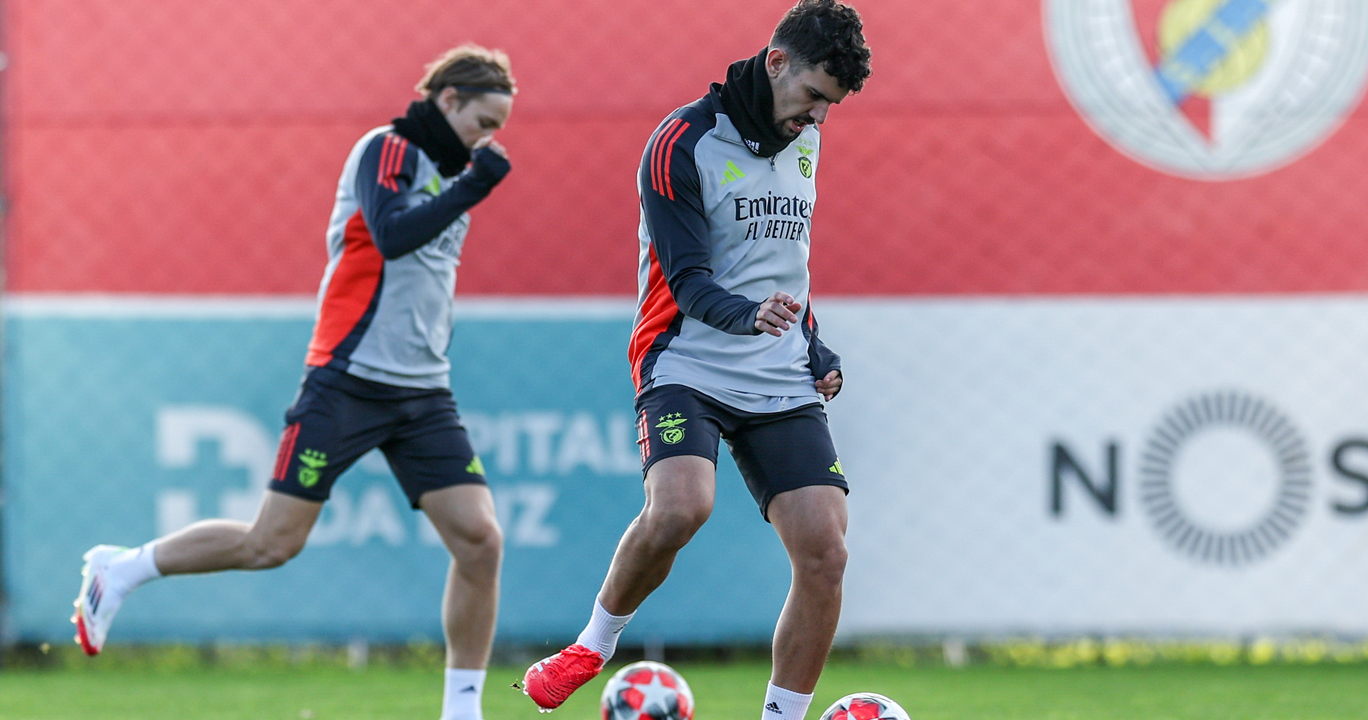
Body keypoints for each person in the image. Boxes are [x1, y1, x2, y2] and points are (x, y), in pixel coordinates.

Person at [71, 44, 516, 720]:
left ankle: (462, 710)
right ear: (447, 100)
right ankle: (122, 567)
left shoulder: (454, 174)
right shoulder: (388, 150)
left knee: (481, 540)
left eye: (499, 129)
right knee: (270, 544)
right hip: (347, 381)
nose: (489, 140)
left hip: (424, 394)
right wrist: (472, 185)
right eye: (483, 121)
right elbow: (392, 236)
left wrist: (465, 181)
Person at [521, 3, 871, 719]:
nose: (818, 120)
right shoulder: (681, 142)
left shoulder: (804, 139)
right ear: (777, 63)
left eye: (831, 108)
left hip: (777, 372)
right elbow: (686, 279)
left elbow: (782, 269)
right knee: (682, 508)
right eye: (813, 98)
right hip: (686, 363)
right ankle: (592, 644)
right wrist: (748, 318)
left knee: (826, 552)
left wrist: (815, 345)